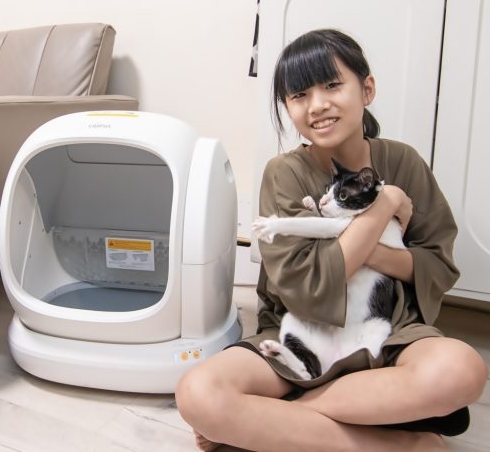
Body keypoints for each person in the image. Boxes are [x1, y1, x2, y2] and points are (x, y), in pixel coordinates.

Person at [175, 29, 487, 451]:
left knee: (462, 371)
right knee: (198, 393)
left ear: (367, 89)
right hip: (303, 332)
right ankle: (402, 443)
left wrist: (363, 248)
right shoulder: (284, 172)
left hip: (387, 333)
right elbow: (307, 286)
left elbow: (436, 263)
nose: (317, 105)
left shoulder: (404, 161)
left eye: (332, 85)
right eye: (299, 95)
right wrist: (384, 205)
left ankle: (290, 413)